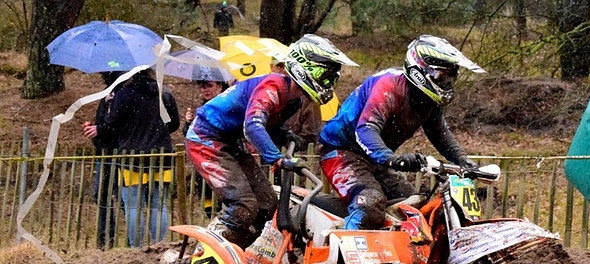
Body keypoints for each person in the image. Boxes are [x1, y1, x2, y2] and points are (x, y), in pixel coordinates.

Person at [185, 34, 357, 249]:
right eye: (325, 76)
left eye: (331, 78)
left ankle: (244, 250)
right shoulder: (273, 85)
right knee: (242, 204)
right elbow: (253, 125)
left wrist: (283, 135)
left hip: (230, 141)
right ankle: (205, 252)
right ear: (306, 68)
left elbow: (267, 125)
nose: (328, 83)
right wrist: (277, 158)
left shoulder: (294, 100)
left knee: (267, 204)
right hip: (206, 137)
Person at [318, 35, 485, 230]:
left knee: (413, 205)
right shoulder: (390, 86)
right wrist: (391, 159)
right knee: (370, 202)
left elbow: (440, 134)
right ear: (420, 69)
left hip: (376, 157)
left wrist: (463, 160)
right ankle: (343, 252)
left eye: (449, 77)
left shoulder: (429, 100)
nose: (446, 82)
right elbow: (365, 129)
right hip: (341, 151)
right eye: (441, 76)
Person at [85, 69, 180, 247]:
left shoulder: (125, 95)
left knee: (133, 206)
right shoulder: (164, 93)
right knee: (158, 205)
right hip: (162, 156)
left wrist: (100, 128)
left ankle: (137, 249)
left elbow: (113, 126)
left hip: (133, 157)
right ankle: (161, 245)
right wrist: (156, 130)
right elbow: (174, 123)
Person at [83, 71, 124, 250]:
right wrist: (94, 129)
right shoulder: (107, 92)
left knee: (122, 197)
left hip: (118, 152)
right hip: (104, 152)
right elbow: (105, 122)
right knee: (102, 195)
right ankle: (104, 240)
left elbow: (116, 124)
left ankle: (134, 237)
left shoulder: (122, 93)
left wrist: (101, 129)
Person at [183, 78, 232, 217]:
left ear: (219, 86)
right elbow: (189, 135)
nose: (205, 90)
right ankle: (211, 215)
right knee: (206, 191)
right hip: (203, 157)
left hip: (223, 155)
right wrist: (189, 123)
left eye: (209, 86)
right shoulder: (201, 109)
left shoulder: (227, 104)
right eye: (202, 87)